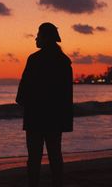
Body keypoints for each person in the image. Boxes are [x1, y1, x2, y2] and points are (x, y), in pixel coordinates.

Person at [16, 22, 73, 187]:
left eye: (38, 35)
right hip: (55, 117)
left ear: (46, 38)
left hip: (35, 116)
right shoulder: (63, 61)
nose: (36, 38)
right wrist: (65, 120)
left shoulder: (34, 59)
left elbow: (24, 86)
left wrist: (22, 101)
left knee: (34, 157)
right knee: (55, 155)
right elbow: (66, 94)